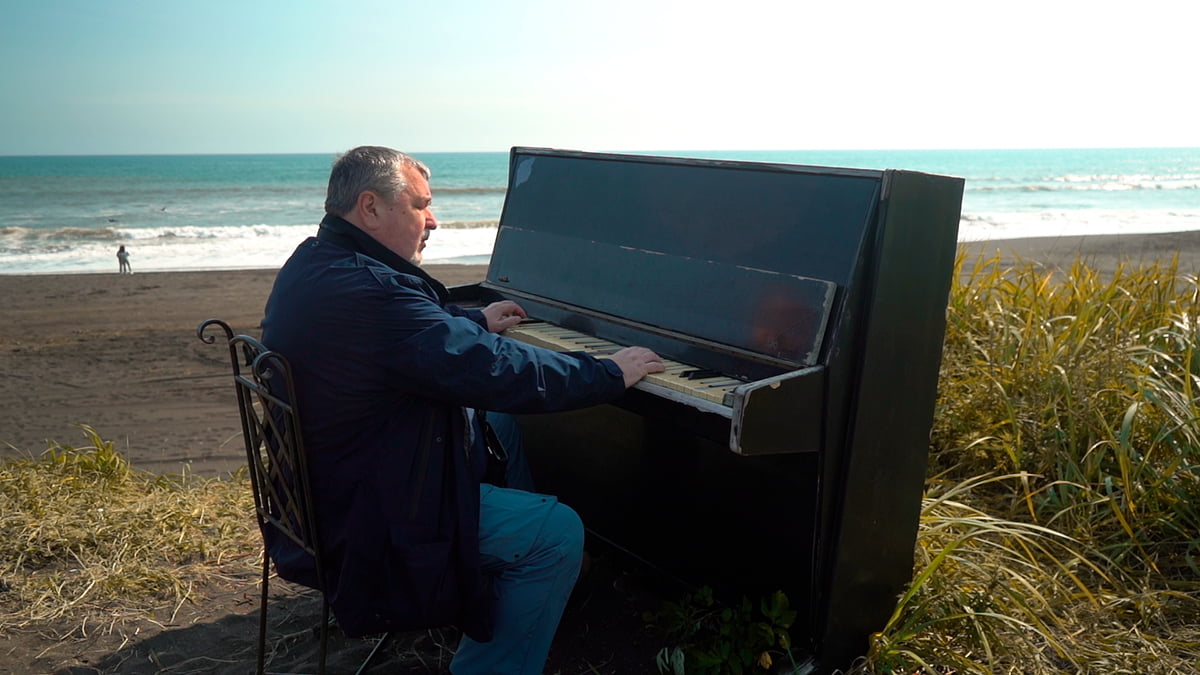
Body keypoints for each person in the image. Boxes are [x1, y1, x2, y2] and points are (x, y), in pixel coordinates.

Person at [259, 145, 664, 674]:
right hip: (369, 516)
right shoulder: (372, 294)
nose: (433, 220)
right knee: (558, 533)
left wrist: (472, 321)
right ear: (370, 207)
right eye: (420, 205)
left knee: (501, 424)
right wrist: (608, 373)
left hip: (322, 489)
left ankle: (510, 583)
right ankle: (520, 591)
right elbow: (497, 370)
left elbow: (415, 335)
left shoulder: (317, 263)